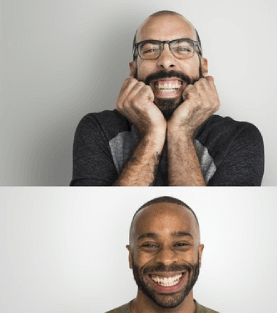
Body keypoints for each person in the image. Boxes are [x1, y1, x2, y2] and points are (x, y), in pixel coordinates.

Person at [71, 10, 263, 186]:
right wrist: (152, 135)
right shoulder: (98, 129)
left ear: (203, 67)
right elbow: (96, 216)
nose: (166, 61)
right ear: (133, 70)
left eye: (183, 49)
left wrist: (181, 132)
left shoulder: (239, 137)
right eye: (150, 50)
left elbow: (218, 222)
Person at [56, 196, 264, 313]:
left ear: (199, 254)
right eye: (149, 245)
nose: (166, 259)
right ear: (131, 257)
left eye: (181, 244)